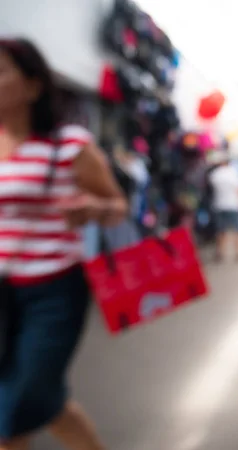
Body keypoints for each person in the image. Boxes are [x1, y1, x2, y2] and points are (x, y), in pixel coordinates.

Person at [0, 39, 127, 450]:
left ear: (33, 86)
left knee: (19, 404)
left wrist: (94, 206)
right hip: (2, 288)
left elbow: (118, 207)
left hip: (54, 291)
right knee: (36, 400)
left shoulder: (68, 145)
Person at [208, 152, 238, 262]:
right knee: (237, 230)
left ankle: (220, 252)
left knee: (221, 231)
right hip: (234, 205)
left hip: (219, 205)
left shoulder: (215, 174)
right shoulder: (234, 173)